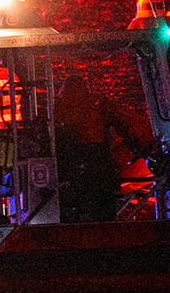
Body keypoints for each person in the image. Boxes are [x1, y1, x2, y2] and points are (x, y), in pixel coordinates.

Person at [52, 73, 154, 223]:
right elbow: (123, 124)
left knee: (74, 208)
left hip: (68, 168)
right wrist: (139, 147)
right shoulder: (98, 103)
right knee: (103, 210)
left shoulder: (57, 107)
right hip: (98, 162)